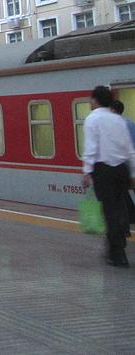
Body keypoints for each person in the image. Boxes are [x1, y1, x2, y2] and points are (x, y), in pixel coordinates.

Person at [81, 86, 135, 267]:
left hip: (104, 171)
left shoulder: (92, 119)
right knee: (120, 208)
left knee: (109, 211)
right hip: (121, 170)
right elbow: (129, 149)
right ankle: (118, 244)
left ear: (95, 101)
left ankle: (117, 254)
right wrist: (133, 172)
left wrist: (87, 171)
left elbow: (91, 147)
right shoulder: (117, 119)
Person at [110, 100, 135, 230]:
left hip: (123, 166)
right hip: (131, 163)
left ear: (113, 110)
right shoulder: (130, 123)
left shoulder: (115, 126)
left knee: (121, 195)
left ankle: (126, 225)